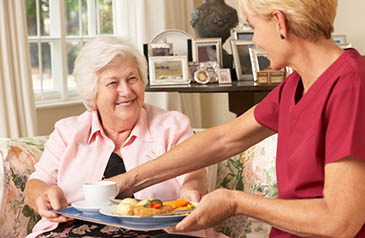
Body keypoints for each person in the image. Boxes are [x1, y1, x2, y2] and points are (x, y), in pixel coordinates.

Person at [110, 0, 365, 237]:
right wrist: (128, 181)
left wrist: (236, 202)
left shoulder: (354, 88)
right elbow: (224, 139)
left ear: (279, 22)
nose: (254, 41)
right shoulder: (296, 85)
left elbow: (340, 222)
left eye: (252, 27)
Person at [24, 37, 224, 238]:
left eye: (132, 79)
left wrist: (191, 190)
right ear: (91, 95)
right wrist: (44, 195)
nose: (126, 91)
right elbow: (36, 184)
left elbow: (193, 173)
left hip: (159, 232)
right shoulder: (67, 132)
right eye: (112, 83)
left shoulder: (171, 126)